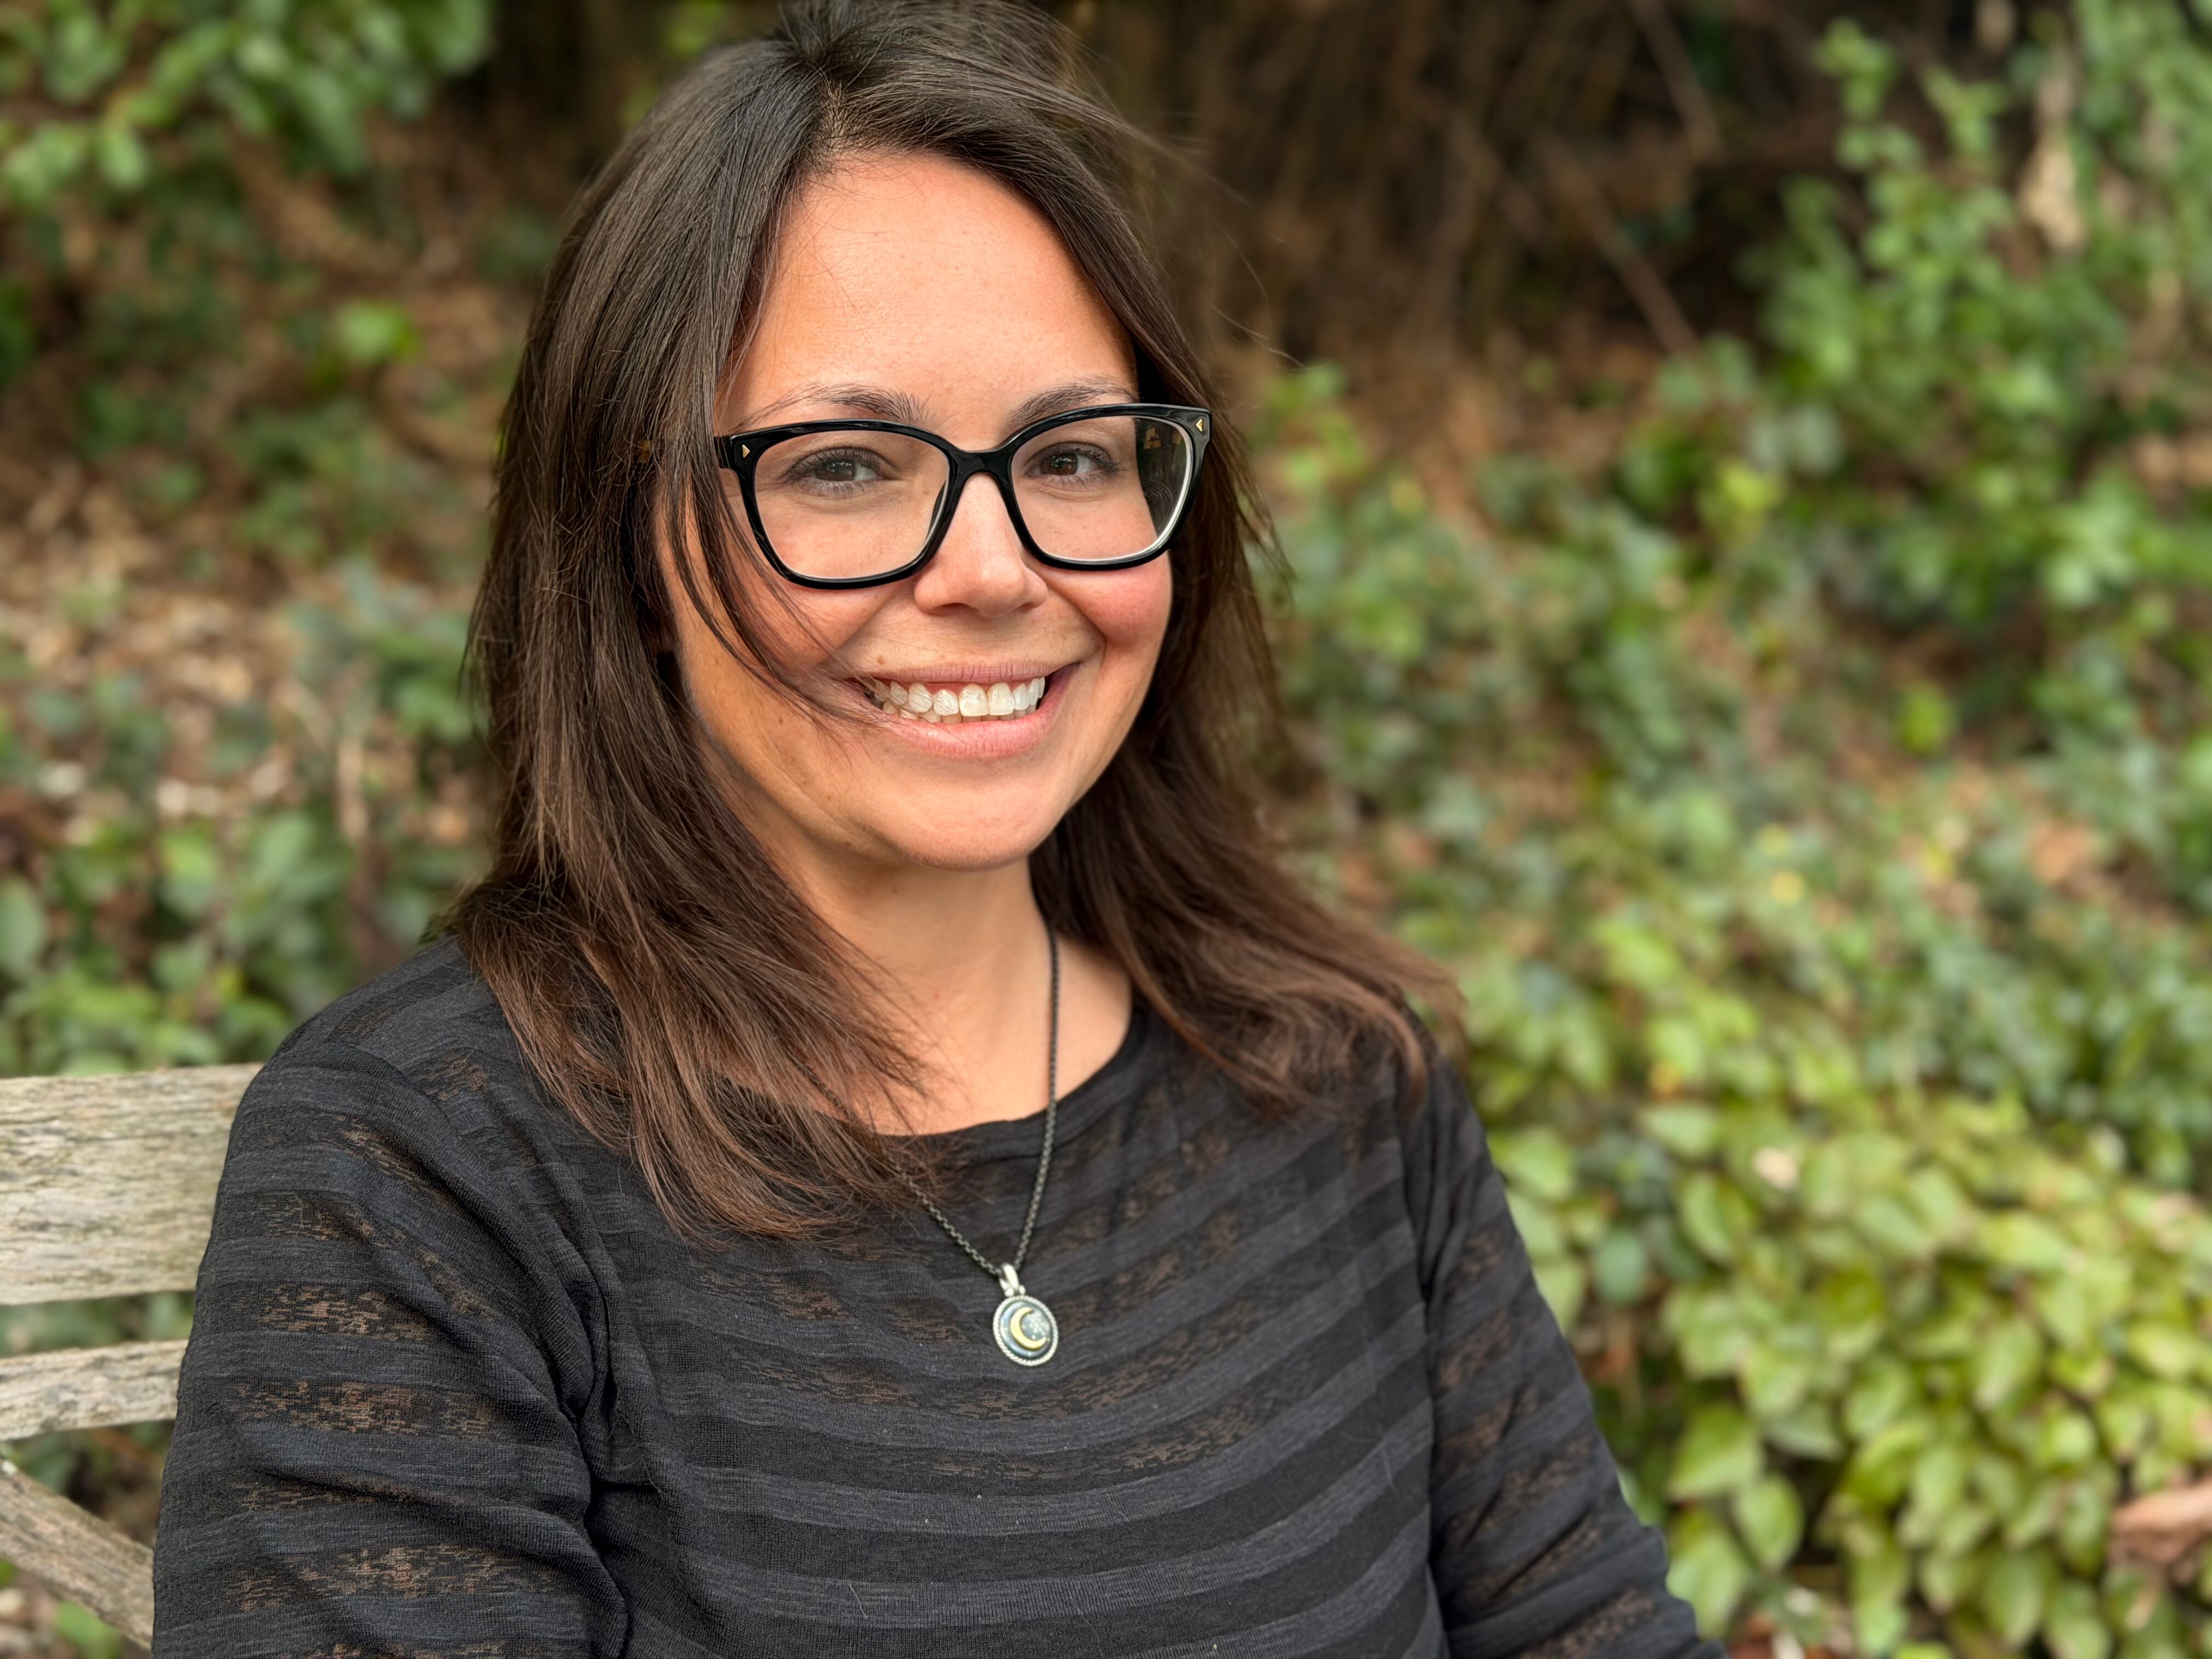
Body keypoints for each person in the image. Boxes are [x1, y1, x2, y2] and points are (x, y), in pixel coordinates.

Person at [151, 3, 1716, 1654]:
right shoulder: (426, 1172)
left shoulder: (1332, 1077)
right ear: (623, 538)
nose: (992, 569)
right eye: (843, 468)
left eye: (1074, 454)